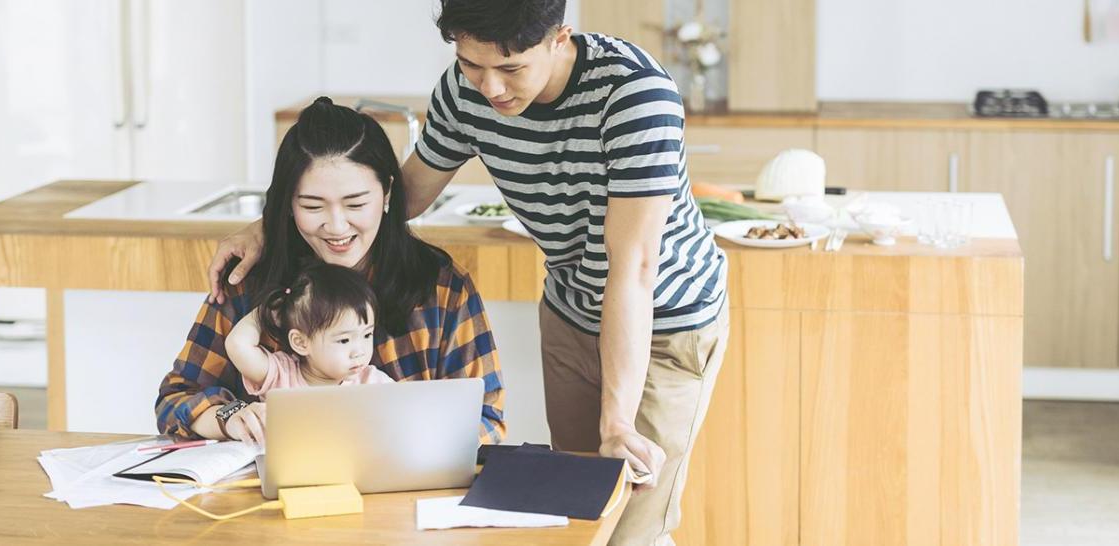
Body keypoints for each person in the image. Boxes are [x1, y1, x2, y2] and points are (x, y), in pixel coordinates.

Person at [208, 2, 729, 542]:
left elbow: (633, 270)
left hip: (665, 317)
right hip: (571, 309)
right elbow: (399, 196)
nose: (491, 88)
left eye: (510, 69)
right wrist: (275, 225)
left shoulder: (635, 96)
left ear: (559, 38)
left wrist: (617, 421)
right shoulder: (466, 90)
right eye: (472, 63)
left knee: (631, 527)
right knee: (580, 518)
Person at [158, 97, 505, 448]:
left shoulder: (441, 286)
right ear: (289, 204)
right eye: (312, 206)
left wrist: (409, 444)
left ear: (386, 192)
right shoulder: (249, 280)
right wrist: (228, 417)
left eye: (356, 204)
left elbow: (486, 420)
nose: (337, 227)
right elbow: (175, 401)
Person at [225, 263, 394, 402]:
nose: (360, 352)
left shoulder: (372, 383)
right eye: (344, 340)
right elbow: (237, 345)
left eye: (367, 335)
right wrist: (267, 310)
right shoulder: (281, 375)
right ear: (300, 342)